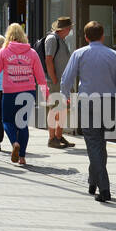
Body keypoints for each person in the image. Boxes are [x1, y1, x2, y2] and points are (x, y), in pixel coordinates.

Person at [60, 21, 116, 203]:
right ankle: (93, 181)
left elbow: (66, 78)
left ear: (86, 37)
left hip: (87, 102)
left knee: (94, 144)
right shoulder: (114, 55)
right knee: (99, 144)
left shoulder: (79, 54)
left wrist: (64, 97)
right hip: (109, 103)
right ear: (103, 36)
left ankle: (104, 188)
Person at [0, 23, 47, 166]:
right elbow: (40, 76)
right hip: (28, 91)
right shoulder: (32, 53)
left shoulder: (4, 52)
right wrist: (45, 92)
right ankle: (22, 157)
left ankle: (14, 143)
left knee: (7, 121)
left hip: (10, 91)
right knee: (22, 124)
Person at [43, 17, 75, 150]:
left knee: (63, 109)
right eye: (70, 28)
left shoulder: (61, 40)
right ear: (65, 29)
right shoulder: (52, 39)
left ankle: (58, 135)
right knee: (55, 109)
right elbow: (48, 59)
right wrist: (54, 78)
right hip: (55, 82)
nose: (71, 30)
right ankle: (52, 138)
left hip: (62, 81)